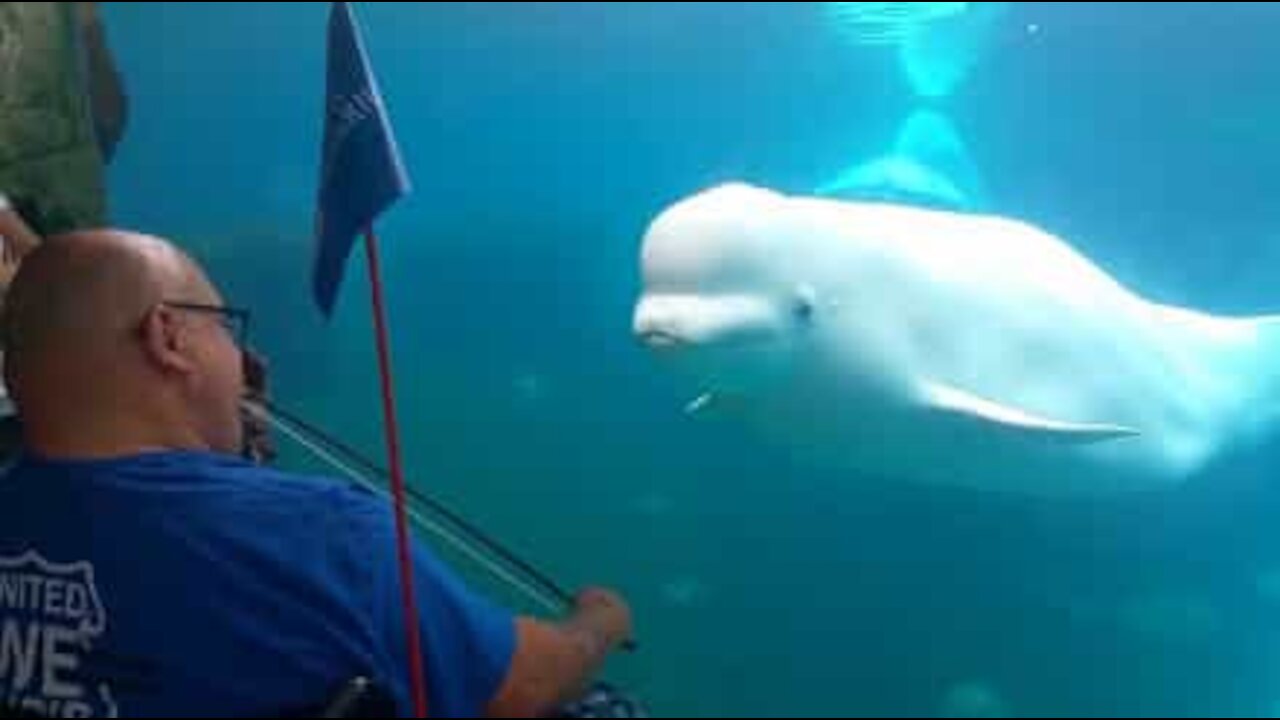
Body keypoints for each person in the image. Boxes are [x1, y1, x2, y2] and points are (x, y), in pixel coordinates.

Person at [0, 228, 634, 718]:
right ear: (168, 337)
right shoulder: (325, 534)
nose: (244, 360)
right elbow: (519, 688)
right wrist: (596, 623)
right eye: (222, 328)